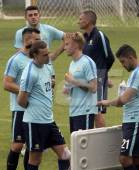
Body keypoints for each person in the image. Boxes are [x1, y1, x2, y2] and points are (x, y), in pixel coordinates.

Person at [17, 40, 70, 170]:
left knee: (65, 154)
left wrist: (50, 84)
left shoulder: (46, 65)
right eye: (45, 55)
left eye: (48, 53)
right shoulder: (30, 73)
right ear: (35, 56)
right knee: (35, 159)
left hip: (49, 120)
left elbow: (47, 83)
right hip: (34, 122)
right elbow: (21, 101)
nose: (48, 56)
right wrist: (36, 106)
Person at [98, 44, 139, 170]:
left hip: (135, 121)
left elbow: (123, 100)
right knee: (137, 159)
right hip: (134, 121)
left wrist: (107, 102)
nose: (122, 64)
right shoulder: (138, 72)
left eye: (123, 61)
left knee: (124, 158)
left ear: (131, 57)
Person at [4, 28, 40, 170]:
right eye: (37, 39)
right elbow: (7, 83)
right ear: (28, 40)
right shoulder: (16, 60)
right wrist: (25, 91)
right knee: (18, 145)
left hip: (36, 109)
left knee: (32, 146)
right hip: (20, 109)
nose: (40, 42)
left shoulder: (40, 58)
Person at [15, 5, 65, 91]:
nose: (33, 17)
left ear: (39, 15)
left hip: (48, 71)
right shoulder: (20, 33)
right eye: (30, 15)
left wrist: (55, 54)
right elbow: (19, 54)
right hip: (29, 72)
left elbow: (67, 37)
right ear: (25, 17)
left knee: (48, 99)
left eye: (35, 14)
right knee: (32, 98)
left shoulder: (48, 29)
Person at [78, 10, 115, 128]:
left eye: (81, 19)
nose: (78, 21)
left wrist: (103, 74)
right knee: (89, 110)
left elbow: (110, 57)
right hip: (86, 79)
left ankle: (102, 142)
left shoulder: (100, 36)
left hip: (98, 77)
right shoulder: (83, 37)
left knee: (98, 111)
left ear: (88, 21)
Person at [63, 32, 98, 133]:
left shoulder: (87, 62)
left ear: (76, 45)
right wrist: (67, 87)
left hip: (85, 111)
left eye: (67, 44)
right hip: (74, 111)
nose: (64, 48)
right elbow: (73, 84)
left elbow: (94, 87)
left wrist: (74, 81)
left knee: (85, 147)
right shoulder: (72, 63)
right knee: (77, 147)